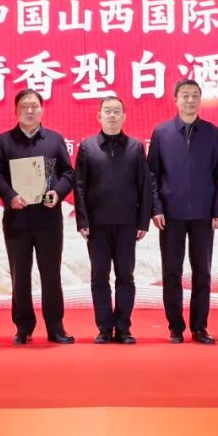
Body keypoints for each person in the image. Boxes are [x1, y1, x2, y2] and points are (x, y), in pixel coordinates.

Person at [0, 89, 75, 345]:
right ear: (16, 111)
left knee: (51, 274)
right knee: (20, 275)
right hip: (17, 218)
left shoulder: (55, 140)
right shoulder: (3, 141)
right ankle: (23, 327)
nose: (29, 110)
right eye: (24, 106)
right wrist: (10, 196)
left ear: (42, 109)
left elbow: (68, 173)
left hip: (48, 219)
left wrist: (57, 193)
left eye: (34, 106)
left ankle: (56, 327)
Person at [147, 79, 218, 344]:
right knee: (172, 272)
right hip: (171, 215)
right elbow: (152, 175)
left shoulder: (212, 133)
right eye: (185, 95)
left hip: (204, 214)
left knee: (202, 272)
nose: (190, 100)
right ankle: (175, 326)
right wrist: (156, 208)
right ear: (176, 100)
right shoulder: (162, 133)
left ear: (200, 100)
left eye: (194, 95)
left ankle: (200, 326)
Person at [74, 96, 153, 344]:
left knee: (125, 276)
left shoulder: (135, 147)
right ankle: (104, 328)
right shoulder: (87, 147)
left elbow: (145, 186)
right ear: (99, 116)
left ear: (124, 116)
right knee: (99, 276)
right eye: (107, 111)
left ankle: (124, 327)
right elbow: (79, 186)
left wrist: (142, 222)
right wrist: (83, 221)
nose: (111, 115)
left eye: (116, 111)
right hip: (96, 225)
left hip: (127, 223)